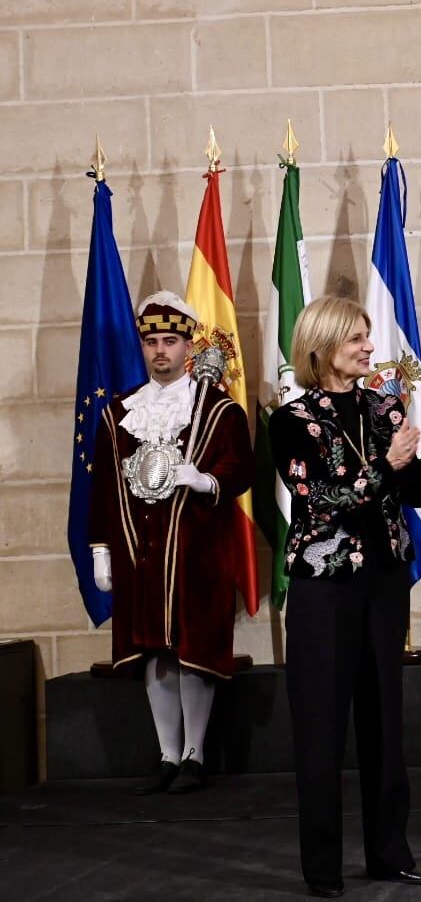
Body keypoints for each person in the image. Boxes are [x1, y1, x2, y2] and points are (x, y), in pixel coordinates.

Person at [269, 295, 421, 899]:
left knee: (383, 722)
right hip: (323, 588)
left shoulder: (383, 406)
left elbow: (412, 493)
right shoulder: (291, 419)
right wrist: (384, 469)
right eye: (357, 338)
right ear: (322, 347)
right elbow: (318, 500)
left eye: (369, 336)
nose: (370, 347)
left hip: (382, 584)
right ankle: (322, 868)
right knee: (320, 726)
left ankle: (390, 853)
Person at [88, 291, 252, 795]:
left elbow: (242, 469)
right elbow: (103, 489)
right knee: (154, 652)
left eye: (170, 341)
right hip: (141, 552)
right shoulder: (120, 414)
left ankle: (195, 754)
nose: (160, 350)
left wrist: (204, 480)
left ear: (187, 345)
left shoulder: (218, 410)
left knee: (190, 649)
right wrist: (101, 550)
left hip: (197, 551)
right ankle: (165, 752)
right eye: (152, 341)